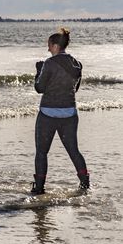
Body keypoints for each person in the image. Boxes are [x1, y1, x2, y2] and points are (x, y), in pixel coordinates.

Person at [31, 27, 89, 195]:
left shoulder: (49, 63)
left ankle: (39, 187)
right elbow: (75, 89)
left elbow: (39, 88)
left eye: (49, 45)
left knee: (42, 152)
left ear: (56, 46)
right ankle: (85, 184)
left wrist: (38, 72)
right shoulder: (76, 64)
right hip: (69, 114)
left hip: (48, 114)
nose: (48, 49)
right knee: (73, 151)